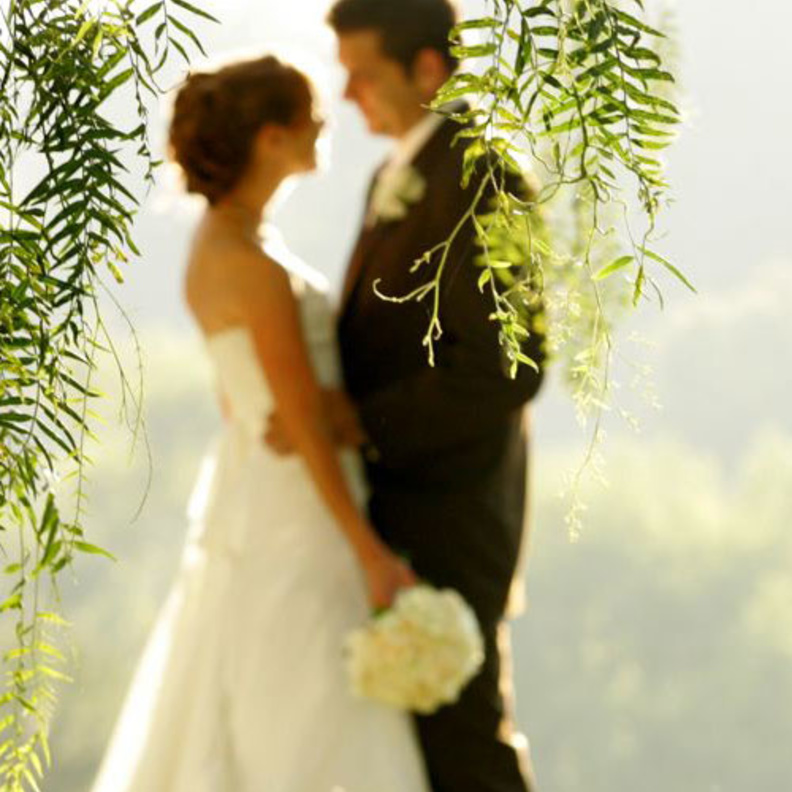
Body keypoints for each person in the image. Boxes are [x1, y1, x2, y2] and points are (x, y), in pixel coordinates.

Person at [90, 54, 429, 792]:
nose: (326, 122)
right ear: (272, 138)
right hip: (294, 504)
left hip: (261, 484)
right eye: (309, 112)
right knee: (305, 717)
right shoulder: (246, 260)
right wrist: (368, 550)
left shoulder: (228, 244)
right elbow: (299, 414)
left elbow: (240, 397)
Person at [328, 1, 546, 790]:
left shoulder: (487, 180)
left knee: (464, 750)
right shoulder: (392, 173)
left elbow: (505, 369)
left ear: (428, 68)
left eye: (362, 75)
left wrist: (362, 423)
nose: (347, 96)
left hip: (451, 514)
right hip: (390, 510)